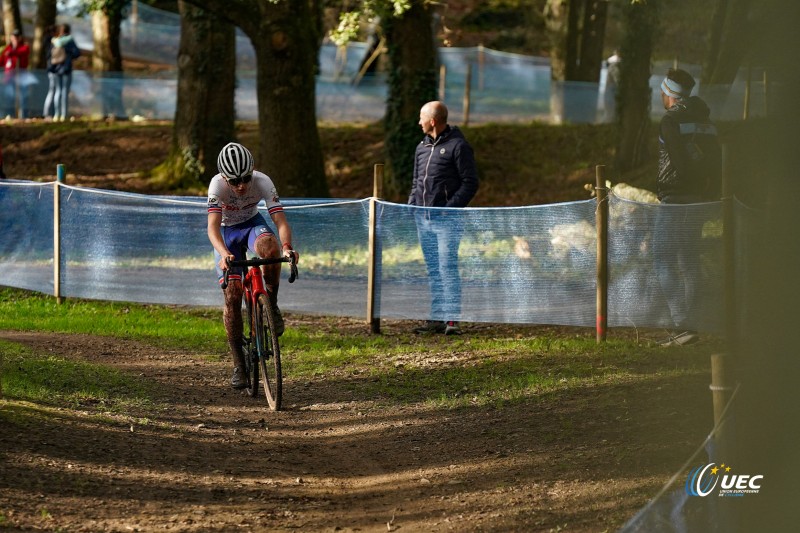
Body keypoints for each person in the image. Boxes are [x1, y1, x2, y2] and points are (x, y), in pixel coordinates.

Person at [207, 142, 299, 389]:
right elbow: (213, 228)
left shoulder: (263, 181)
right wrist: (225, 254)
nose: (241, 186)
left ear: (253, 171)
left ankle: (272, 304)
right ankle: (239, 362)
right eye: (234, 181)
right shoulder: (216, 186)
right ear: (224, 178)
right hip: (226, 234)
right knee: (233, 295)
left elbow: (279, 220)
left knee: (270, 246)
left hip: (251, 225)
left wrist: (287, 246)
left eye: (246, 178)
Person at [653, 68, 721, 347]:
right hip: (700, 199)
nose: (660, 96)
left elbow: (679, 164)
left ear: (669, 94)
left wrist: (680, 189)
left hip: (674, 199)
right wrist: (709, 193)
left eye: (661, 92)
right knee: (689, 260)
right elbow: (718, 162)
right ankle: (690, 327)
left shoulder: (670, 121)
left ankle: (682, 324)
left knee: (662, 257)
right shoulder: (706, 121)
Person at [408, 101, 479, 335]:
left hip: (447, 222)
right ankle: (436, 319)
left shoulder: (459, 146)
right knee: (433, 270)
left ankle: (451, 320)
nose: (418, 122)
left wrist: (449, 208)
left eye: (421, 118)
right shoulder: (421, 148)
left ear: (432, 121)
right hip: (423, 221)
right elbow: (417, 182)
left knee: (447, 268)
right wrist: (412, 205)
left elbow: (470, 183)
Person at [42, 24, 80, 122]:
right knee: (64, 92)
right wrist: (69, 55)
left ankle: (56, 115)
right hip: (66, 69)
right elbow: (77, 53)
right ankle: (64, 115)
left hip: (56, 69)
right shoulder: (70, 41)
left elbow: (49, 54)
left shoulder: (55, 41)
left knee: (57, 91)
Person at [1, 30, 30, 119]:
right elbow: (2, 60)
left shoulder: (24, 47)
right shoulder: (7, 48)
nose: (15, 39)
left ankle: (23, 116)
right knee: (10, 97)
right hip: (9, 77)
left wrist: (13, 52)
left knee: (23, 96)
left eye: (17, 37)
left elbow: (22, 52)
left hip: (21, 76)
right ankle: (11, 115)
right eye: (14, 36)